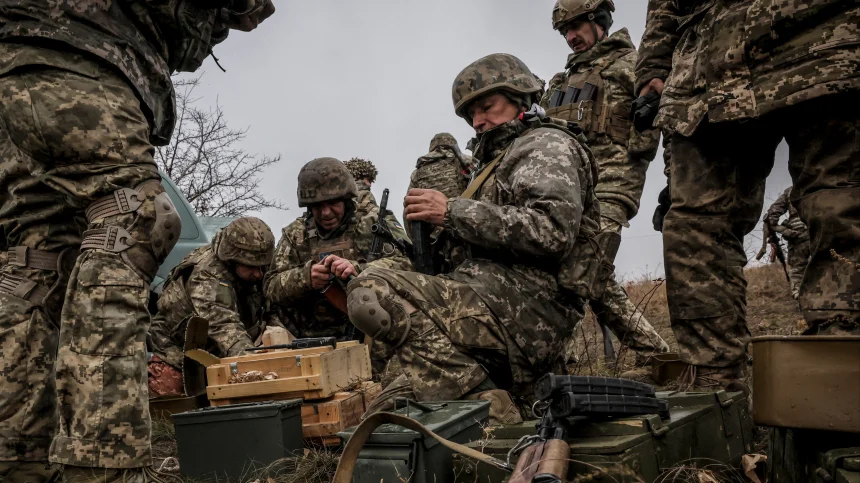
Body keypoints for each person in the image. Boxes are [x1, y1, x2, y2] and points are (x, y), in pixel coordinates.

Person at [0, 1, 275, 481]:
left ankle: (19, 457)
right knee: (139, 220)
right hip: (77, 51)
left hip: (19, 61)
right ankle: (104, 464)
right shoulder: (209, 272)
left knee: (38, 259)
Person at [346, 53, 600, 424]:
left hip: (526, 309)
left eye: (487, 107)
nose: (479, 121)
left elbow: (552, 231)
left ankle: (491, 409)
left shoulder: (544, 145)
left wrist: (451, 212)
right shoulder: (495, 160)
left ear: (520, 97)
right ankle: (492, 393)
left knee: (370, 293)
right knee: (386, 414)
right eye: (470, 115)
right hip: (490, 302)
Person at [637, 0, 859, 391]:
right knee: (693, 226)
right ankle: (713, 379)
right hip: (708, 64)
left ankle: (842, 366)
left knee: (839, 200)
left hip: (827, 37)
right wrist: (653, 70)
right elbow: (663, 7)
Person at [540, 0, 670, 369]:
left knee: (586, 272)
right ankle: (660, 356)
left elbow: (667, 120)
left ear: (600, 21)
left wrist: (672, 179)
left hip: (612, 185)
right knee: (587, 276)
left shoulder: (632, 66)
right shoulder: (561, 82)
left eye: (576, 26)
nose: (570, 36)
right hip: (567, 191)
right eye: (564, 31)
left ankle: (548, 362)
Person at [264, 158, 411, 373]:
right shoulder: (296, 234)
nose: (325, 213)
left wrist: (359, 270)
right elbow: (270, 287)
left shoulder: (373, 224)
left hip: (375, 337)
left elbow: (408, 266)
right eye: (317, 207)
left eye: (332, 203)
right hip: (315, 342)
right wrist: (305, 278)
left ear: (346, 198)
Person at [147, 217, 277, 397]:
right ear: (232, 260)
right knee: (172, 405)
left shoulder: (254, 269)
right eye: (251, 268)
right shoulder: (207, 274)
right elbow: (223, 325)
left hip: (221, 351)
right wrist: (253, 365)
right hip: (178, 352)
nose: (258, 274)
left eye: (263, 267)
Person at [764, 188, 811, 300]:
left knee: (797, 271)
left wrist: (784, 230)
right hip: (823, 231)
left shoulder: (791, 191)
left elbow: (770, 217)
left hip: (798, 234)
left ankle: (802, 301)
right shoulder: (825, 183)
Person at [407, 133, 476, 200]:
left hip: (430, 210)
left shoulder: (418, 170)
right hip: (465, 209)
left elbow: (409, 200)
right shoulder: (468, 161)